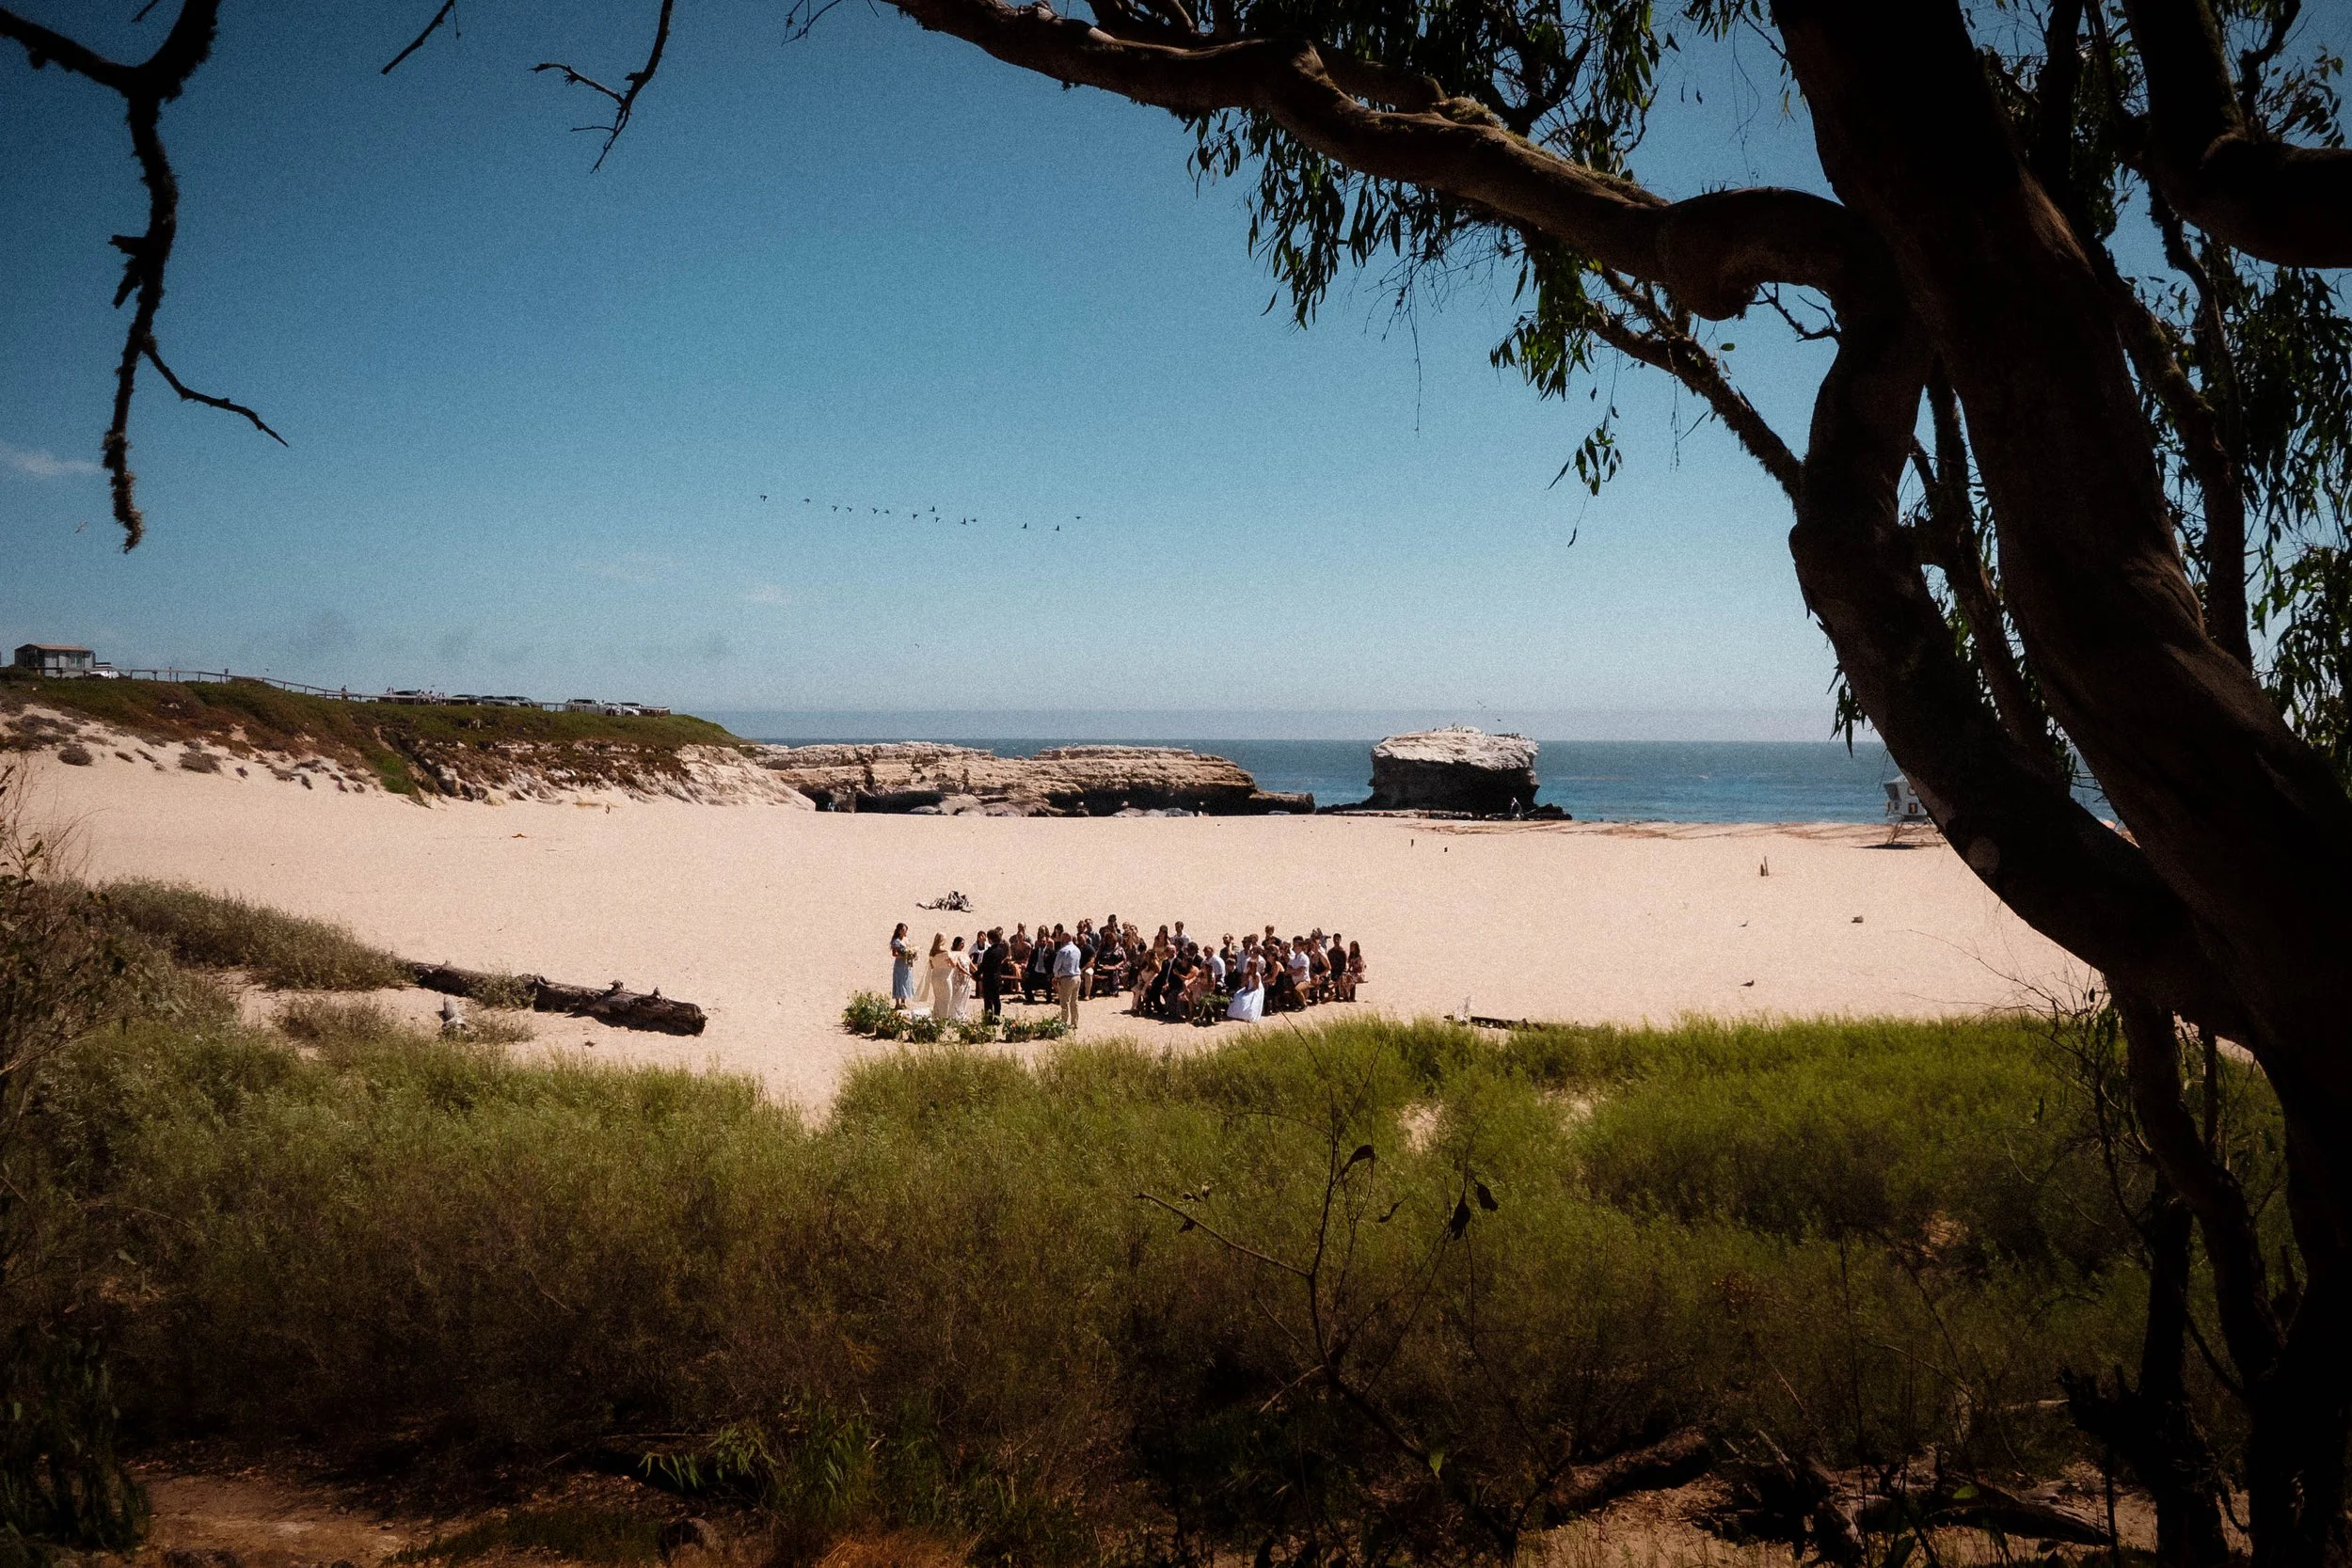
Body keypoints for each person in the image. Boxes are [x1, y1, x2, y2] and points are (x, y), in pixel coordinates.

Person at [1053, 929, 1085, 1032]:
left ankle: (1063, 1023)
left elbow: (1056, 966)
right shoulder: (1077, 950)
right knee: (1074, 1002)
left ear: (1066, 938)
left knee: (1064, 1002)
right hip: (1077, 977)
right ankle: (1075, 1022)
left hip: (1067, 978)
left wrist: (1056, 975)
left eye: (1062, 938)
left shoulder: (1063, 951)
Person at [920, 933, 953, 1019]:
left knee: (938, 999)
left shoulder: (932, 952)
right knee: (946, 1000)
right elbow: (953, 964)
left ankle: (936, 1017)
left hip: (935, 977)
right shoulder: (945, 952)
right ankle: (943, 1019)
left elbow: (932, 966)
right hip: (944, 977)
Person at [978, 927, 1009, 1021]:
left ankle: (989, 1018)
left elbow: (983, 966)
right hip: (997, 977)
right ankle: (997, 1017)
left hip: (988, 978)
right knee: (996, 999)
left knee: (988, 1000)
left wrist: (975, 974)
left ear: (990, 939)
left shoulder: (988, 952)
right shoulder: (1001, 951)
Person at [1227, 954, 1265, 1022]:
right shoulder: (1248, 973)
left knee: (1247, 999)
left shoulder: (1256, 975)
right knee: (1238, 996)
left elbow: (1256, 987)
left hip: (1255, 989)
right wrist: (1246, 989)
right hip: (1249, 987)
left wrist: (1249, 991)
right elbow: (1247, 983)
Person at [946, 936, 973, 1021]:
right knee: (958, 996)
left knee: (965, 995)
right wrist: (969, 974)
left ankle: (962, 1012)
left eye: (963, 944)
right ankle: (955, 1014)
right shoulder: (954, 954)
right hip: (959, 978)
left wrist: (978, 972)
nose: (963, 945)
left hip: (967, 979)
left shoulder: (965, 953)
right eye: (961, 943)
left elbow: (971, 964)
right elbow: (959, 968)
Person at [890, 923, 915, 1009]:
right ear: (899, 931)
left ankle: (903, 1002)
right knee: (898, 981)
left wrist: (912, 954)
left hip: (906, 964)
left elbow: (910, 948)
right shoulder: (896, 941)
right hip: (900, 964)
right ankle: (897, 1003)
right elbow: (894, 954)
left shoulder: (907, 939)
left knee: (905, 980)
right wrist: (904, 956)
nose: (905, 932)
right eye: (903, 930)